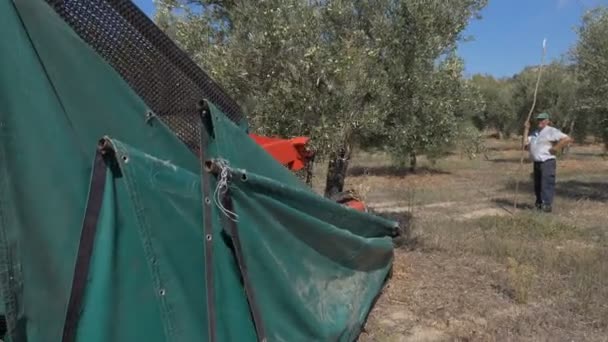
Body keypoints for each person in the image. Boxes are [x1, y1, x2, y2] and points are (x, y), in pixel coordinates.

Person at [525, 112, 573, 212]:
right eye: (539, 119)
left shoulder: (551, 131)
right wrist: (526, 130)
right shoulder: (535, 133)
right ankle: (538, 204)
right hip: (537, 162)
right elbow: (525, 145)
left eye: (542, 119)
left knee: (546, 183)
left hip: (547, 161)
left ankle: (546, 205)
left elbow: (567, 139)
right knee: (537, 184)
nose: (540, 121)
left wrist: (556, 148)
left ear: (547, 121)